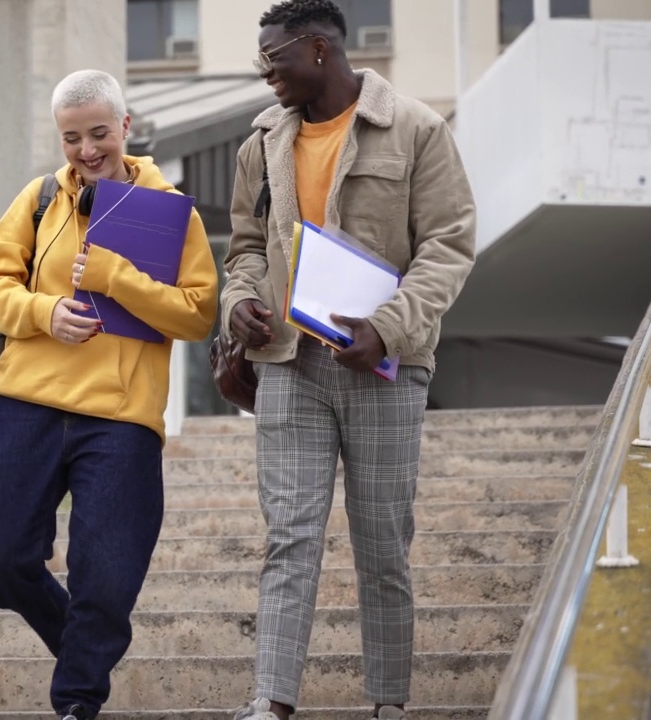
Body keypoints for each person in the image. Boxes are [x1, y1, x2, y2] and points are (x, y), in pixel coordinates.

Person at [221, 2, 477, 719]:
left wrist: (389, 328)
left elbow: (448, 245)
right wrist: (237, 302)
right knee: (288, 539)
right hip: (286, 363)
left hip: (382, 367)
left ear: (319, 51)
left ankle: (388, 703)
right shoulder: (260, 144)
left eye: (273, 59)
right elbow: (243, 247)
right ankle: (270, 701)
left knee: (383, 546)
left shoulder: (418, 129)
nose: (265, 74)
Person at [0, 69, 219, 720]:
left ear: (126, 128)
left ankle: (78, 701)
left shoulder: (170, 210)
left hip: (121, 419)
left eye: (99, 133)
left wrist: (117, 278)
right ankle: (85, 646)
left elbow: (196, 315)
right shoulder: (40, 198)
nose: (85, 150)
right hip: (30, 402)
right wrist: (45, 312)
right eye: (71, 137)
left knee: (105, 580)